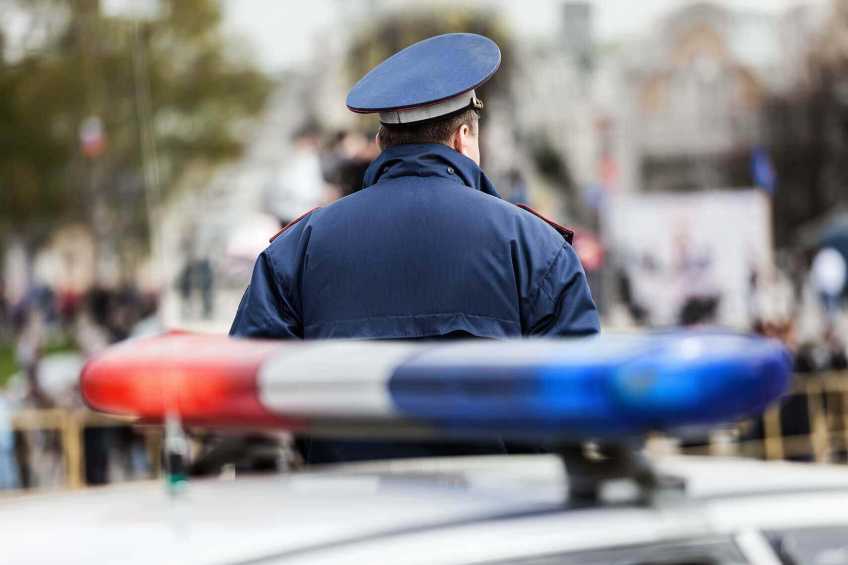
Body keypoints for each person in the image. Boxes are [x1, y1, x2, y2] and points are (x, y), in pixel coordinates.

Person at [231, 33, 599, 462]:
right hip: (500, 516)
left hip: (340, 514)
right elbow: (582, 406)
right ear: (463, 136)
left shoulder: (297, 249)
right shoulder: (538, 248)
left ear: (383, 143)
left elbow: (245, 401)